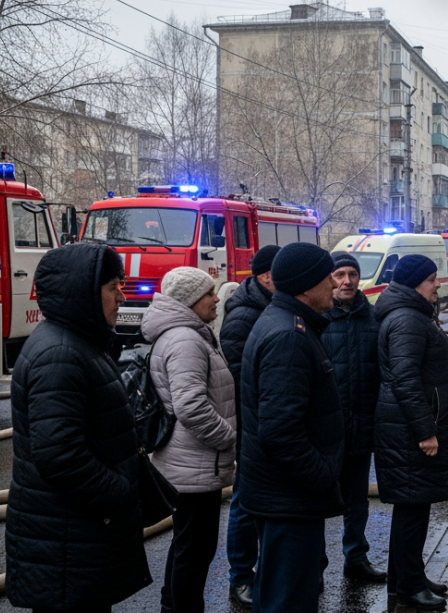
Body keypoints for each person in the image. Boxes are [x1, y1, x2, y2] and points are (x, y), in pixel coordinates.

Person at [6, 243, 151, 613]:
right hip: (69, 543)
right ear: (84, 292)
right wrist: (121, 492)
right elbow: (60, 455)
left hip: (76, 539)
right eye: (113, 287)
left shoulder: (78, 344)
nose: (122, 296)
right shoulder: (60, 354)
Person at [237, 242, 345, 613]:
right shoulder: (288, 336)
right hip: (289, 497)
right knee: (288, 601)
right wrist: (321, 476)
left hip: (282, 494)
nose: (335, 284)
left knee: (276, 594)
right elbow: (280, 431)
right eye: (327, 277)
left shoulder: (284, 323)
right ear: (305, 286)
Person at [374, 255, 448, 612]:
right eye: (431, 279)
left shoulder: (412, 314)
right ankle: (409, 587)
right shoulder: (407, 320)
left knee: (414, 506)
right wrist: (425, 430)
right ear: (415, 282)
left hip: (406, 427)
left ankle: (406, 579)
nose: (437, 285)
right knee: (412, 507)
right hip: (409, 431)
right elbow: (405, 378)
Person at [143, 267, 237, 613]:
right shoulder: (185, 340)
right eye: (209, 293)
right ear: (190, 300)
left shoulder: (189, 334)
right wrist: (228, 438)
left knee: (188, 548)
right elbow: (191, 406)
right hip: (193, 466)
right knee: (194, 552)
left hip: (189, 463)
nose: (216, 299)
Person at [319, 252, 386, 583]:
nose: (347, 281)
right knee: (317, 503)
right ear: (330, 279)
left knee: (357, 501)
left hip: (360, 427)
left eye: (352, 275)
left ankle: (356, 558)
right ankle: (313, 566)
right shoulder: (316, 318)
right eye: (340, 275)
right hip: (324, 433)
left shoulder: (373, 319)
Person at [219, 245, 279, 608]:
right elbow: (239, 376)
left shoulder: (265, 307)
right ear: (266, 277)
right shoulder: (244, 316)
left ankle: (257, 573)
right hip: (253, 426)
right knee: (244, 502)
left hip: (264, 423)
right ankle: (240, 576)